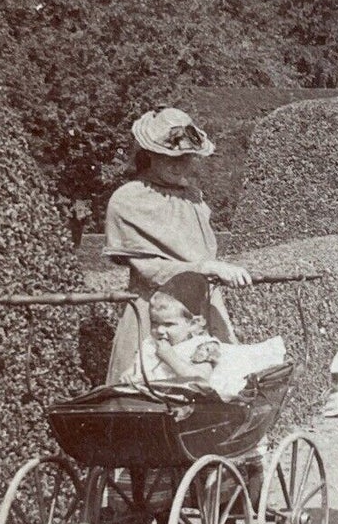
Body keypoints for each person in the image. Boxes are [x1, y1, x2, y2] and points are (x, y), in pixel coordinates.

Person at [102, 107, 252, 387]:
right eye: (169, 156)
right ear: (149, 155)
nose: (179, 164)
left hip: (201, 311)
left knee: (216, 390)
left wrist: (212, 270)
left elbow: (202, 252)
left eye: (186, 157)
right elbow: (149, 269)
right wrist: (204, 267)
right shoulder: (128, 199)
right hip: (155, 313)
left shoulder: (193, 199)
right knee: (145, 393)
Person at [130, 274, 286, 401]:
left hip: (190, 404)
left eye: (169, 324)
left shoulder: (203, 346)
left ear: (193, 324)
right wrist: (131, 375)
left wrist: (170, 357)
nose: (160, 330)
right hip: (152, 400)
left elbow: (200, 379)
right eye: (154, 323)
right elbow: (142, 366)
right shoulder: (151, 343)